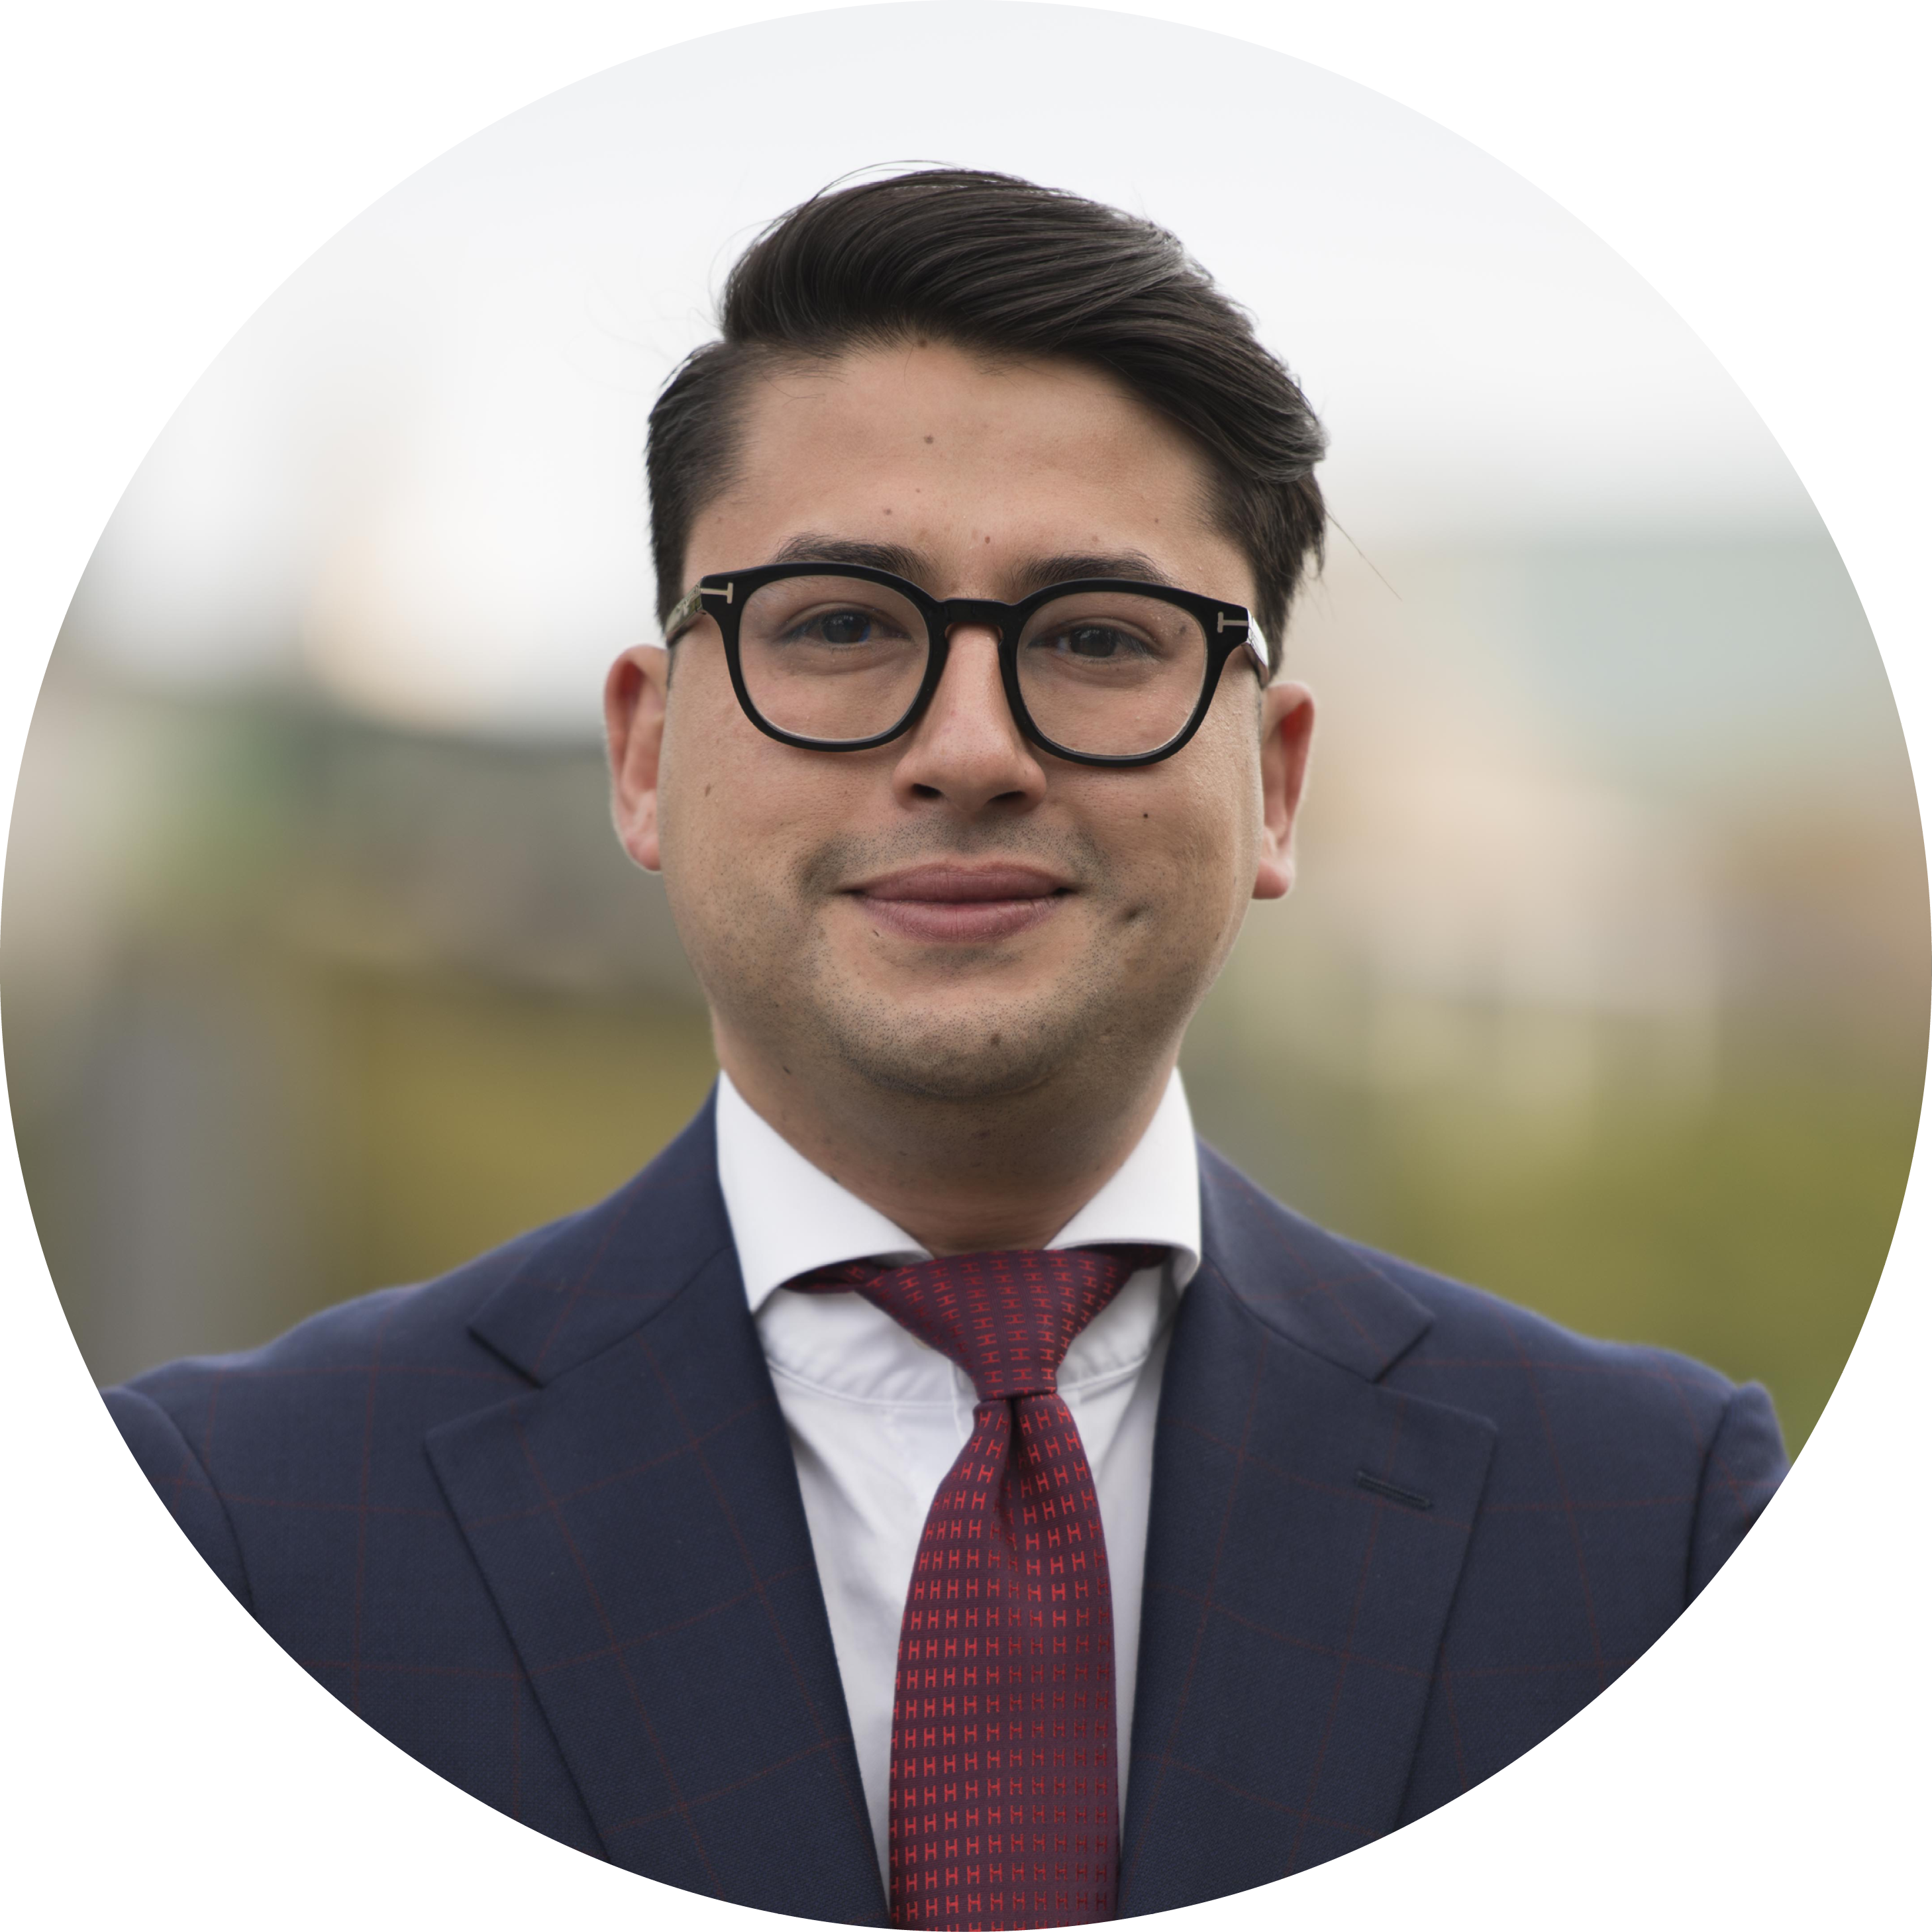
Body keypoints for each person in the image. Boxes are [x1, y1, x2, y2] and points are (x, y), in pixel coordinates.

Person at [105, 170, 1787, 1929]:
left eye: (1096, 639)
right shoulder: (224, 1538)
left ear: (1274, 782)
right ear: (641, 753)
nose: (971, 747)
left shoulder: (1657, 1537)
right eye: (838, 625)